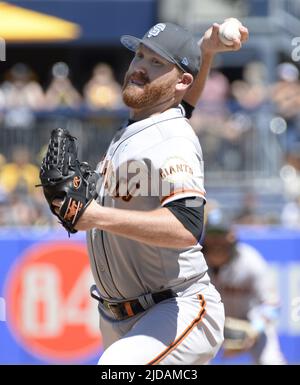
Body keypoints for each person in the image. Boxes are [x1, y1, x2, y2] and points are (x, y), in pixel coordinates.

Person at [53, 20, 248, 365]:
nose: (140, 67)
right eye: (140, 55)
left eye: (157, 62)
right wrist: (204, 52)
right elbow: (181, 104)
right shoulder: (147, 123)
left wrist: (93, 215)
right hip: (119, 316)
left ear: (181, 80)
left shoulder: (171, 139)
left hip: (175, 308)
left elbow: (187, 225)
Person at [203, 205, 286, 365]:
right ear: (205, 237)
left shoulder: (250, 261)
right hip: (210, 324)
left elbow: (273, 304)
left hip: (251, 323)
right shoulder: (195, 262)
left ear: (232, 236)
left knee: (271, 361)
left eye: (221, 234)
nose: (217, 241)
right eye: (212, 234)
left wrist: (254, 330)